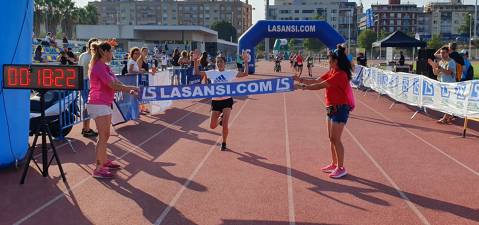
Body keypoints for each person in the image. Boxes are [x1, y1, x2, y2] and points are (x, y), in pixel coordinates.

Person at [293, 45, 354, 179]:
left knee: (336, 139)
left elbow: (320, 85)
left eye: (329, 60)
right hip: (331, 108)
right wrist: (300, 79)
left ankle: (341, 168)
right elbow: (316, 80)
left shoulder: (340, 75)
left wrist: (301, 87)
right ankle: (334, 163)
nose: (328, 62)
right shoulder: (332, 71)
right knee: (331, 139)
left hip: (340, 109)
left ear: (335, 61)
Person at [86, 41, 138, 179]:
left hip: (104, 103)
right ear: (105, 52)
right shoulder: (98, 67)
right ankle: (98, 168)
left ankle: (103, 161)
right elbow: (112, 85)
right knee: (103, 136)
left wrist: (130, 89)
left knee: (106, 135)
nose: (112, 54)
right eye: (111, 52)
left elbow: (117, 82)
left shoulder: (106, 67)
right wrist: (130, 88)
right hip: (97, 103)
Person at [193, 49, 250, 151]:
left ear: (225, 63)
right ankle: (220, 118)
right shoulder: (211, 73)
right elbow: (197, 72)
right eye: (217, 62)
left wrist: (245, 61)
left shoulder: (230, 73)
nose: (219, 63)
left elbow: (245, 74)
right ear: (215, 63)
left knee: (225, 125)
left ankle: (224, 143)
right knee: (212, 126)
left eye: (221, 62)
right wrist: (195, 60)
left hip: (227, 101)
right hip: (215, 101)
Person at [428, 47, 456, 124]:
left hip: (450, 85)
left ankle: (445, 118)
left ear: (448, 53)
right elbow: (436, 73)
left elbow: (448, 72)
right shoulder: (441, 62)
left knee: (448, 102)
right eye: (441, 53)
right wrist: (433, 66)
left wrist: (438, 66)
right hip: (442, 84)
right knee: (445, 102)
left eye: (443, 53)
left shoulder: (451, 62)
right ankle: (448, 117)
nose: (442, 54)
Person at [78, 38, 99, 138]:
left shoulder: (82, 55)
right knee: (89, 106)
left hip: (83, 83)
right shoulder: (91, 57)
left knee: (87, 106)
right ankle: (86, 129)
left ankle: (85, 128)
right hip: (88, 84)